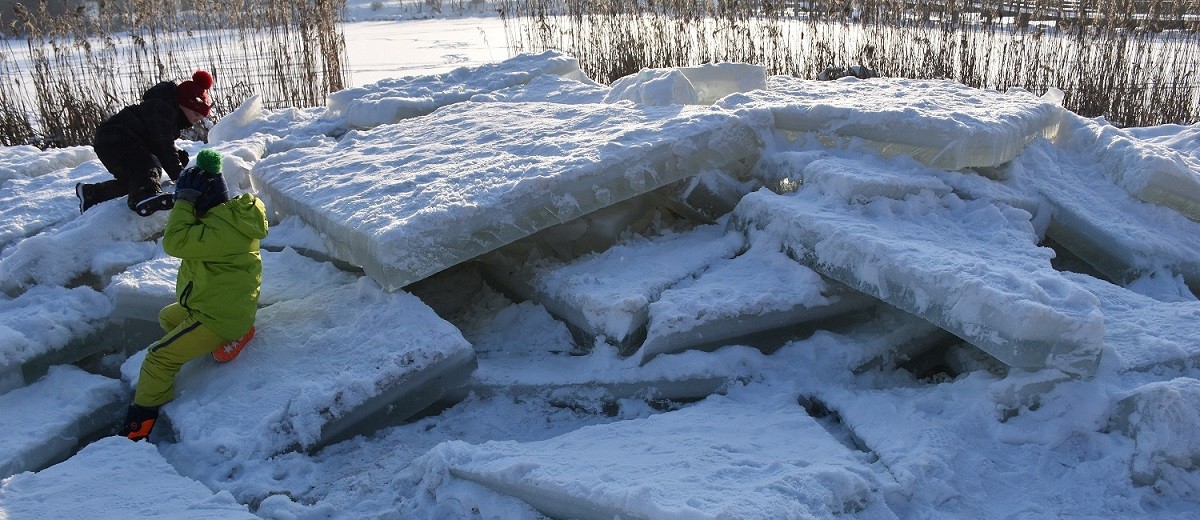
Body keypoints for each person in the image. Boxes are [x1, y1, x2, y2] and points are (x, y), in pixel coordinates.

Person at [119, 149, 268, 441]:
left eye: (186, 202)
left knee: (158, 358)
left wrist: (184, 202)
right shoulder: (228, 218)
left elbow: (174, 242)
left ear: (200, 202)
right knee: (167, 317)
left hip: (218, 317)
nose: (183, 208)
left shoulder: (218, 231)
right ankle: (229, 337)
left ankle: (140, 425)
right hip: (217, 308)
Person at [76, 70, 215, 216]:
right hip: (116, 137)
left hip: (112, 140)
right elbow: (163, 146)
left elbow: (158, 144)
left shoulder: (167, 114)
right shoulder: (161, 109)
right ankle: (144, 196)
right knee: (147, 165)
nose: (198, 119)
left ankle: (92, 194)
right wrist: (180, 176)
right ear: (183, 104)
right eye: (196, 113)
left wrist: (177, 158)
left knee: (141, 178)